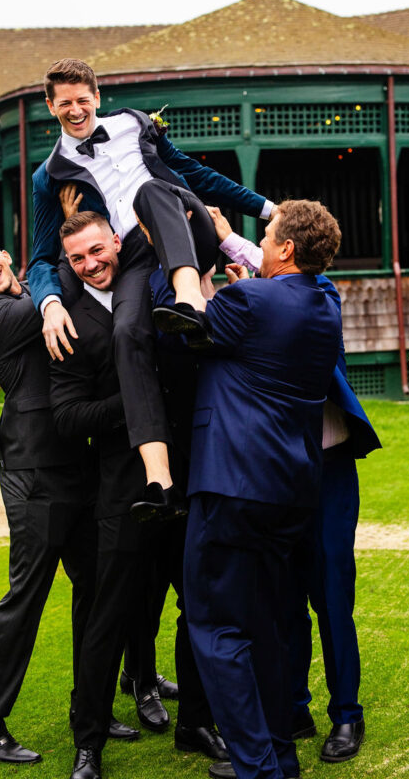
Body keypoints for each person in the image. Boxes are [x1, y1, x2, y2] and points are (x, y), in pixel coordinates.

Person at [28, 57, 274, 517]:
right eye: (65, 104)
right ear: (50, 106)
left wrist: (266, 209)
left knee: (150, 193)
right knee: (126, 336)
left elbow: (198, 175)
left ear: (97, 98)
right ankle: (159, 481)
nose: (76, 110)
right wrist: (49, 303)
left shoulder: (136, 126)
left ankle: (188, 301)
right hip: (135, 258)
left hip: (182, 221)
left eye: (83, 100)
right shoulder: (49, 175)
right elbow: (41, 255)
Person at [49, 211, 228, 779]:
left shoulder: (156, 285)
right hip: (123, 490)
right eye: (77, 259)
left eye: (97, 251)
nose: (90, 264)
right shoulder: (66, 321)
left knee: (200, 605)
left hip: (191, 475)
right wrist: (134, 400)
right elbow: (66, 416)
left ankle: (196, 722)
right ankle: (89, 745)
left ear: (117, 242)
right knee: (109, 616)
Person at [172, 198, 343, 779]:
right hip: (291, 488)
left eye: (267, 235)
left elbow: (189, 323)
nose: (261, 242)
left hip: (232, 483)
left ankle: (256, 766)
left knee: (216, 625)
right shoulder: (326, 302)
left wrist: (193, 272)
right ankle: (279, 755)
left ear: (288, 248)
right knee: (266, 624)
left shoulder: (249, 300)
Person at [206, 206, 381, 764]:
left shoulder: (320, 293)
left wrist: (231, 238)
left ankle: (346, 716)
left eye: (267, 241)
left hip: (329, 472)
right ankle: (294, 709)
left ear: (290, 254)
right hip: (279, 474)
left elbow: (300, 279)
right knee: (280, 600)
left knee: (331, 599)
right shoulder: (263, 301)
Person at [0, 231, 107, 765]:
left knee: (95, 587)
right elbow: (67, 277)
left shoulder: (28, 295)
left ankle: (92, 707)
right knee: (26, 600)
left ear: (5, 254)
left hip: (77, 463)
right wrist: (60, 257)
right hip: (33, 472)